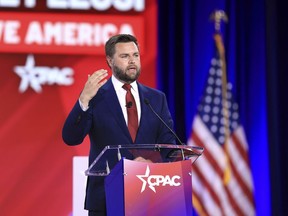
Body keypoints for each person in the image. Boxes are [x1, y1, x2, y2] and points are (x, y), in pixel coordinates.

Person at [62, 34, 176, 216]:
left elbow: (169, 144)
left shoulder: (156, 99)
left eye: (135, 55)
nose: (132, 61)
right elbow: (71, 138)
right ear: (110, 60)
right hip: (105, 199)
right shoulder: (96, 97)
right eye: (125, 56)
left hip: (148, 196)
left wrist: (153, 161)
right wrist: (83, 99)